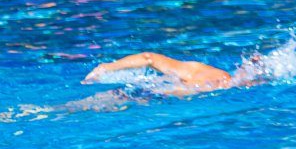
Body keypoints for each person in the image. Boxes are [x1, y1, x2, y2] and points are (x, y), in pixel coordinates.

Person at [82, 52, 237, 95]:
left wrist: (106, 68)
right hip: (153, 96)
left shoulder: (196, 68)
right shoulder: (221, 81)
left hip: (148, 91)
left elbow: (148, 58)